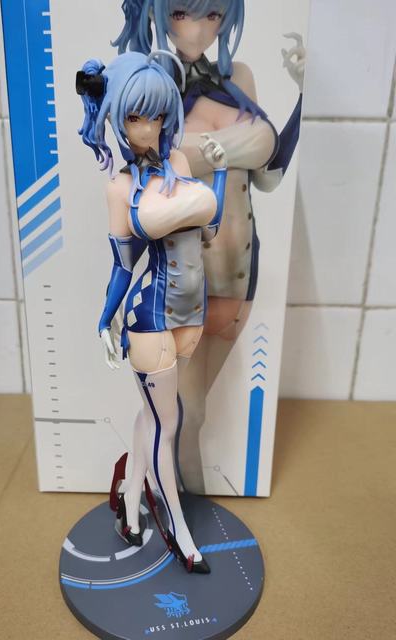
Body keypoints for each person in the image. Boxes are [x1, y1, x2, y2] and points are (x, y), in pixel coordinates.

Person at [114, 0, 305, 492]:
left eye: (213, 15)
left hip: (241, 274)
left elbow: (267, 177)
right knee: (184, 411)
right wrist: (242, 142)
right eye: (181, 12)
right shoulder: (148, 85)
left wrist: (306, 100)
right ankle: (175, 508)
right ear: (157, 13)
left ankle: (173, 504)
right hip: (183, 281)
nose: (198, 30)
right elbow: (144, 179)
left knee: (192, 411)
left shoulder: (239, 77)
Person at [77, 50, 227, 572]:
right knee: (169, 420)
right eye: (135, 117)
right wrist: (106, 317)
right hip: (150, 316)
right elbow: (123, 266)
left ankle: (131, 496)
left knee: (153, 414)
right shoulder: (120, 187)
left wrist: (219, 178)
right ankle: (180, 531)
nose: (148, 128)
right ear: (116, 118)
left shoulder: (180, 164)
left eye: (157, 115)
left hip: (192, 312)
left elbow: (208, 232)